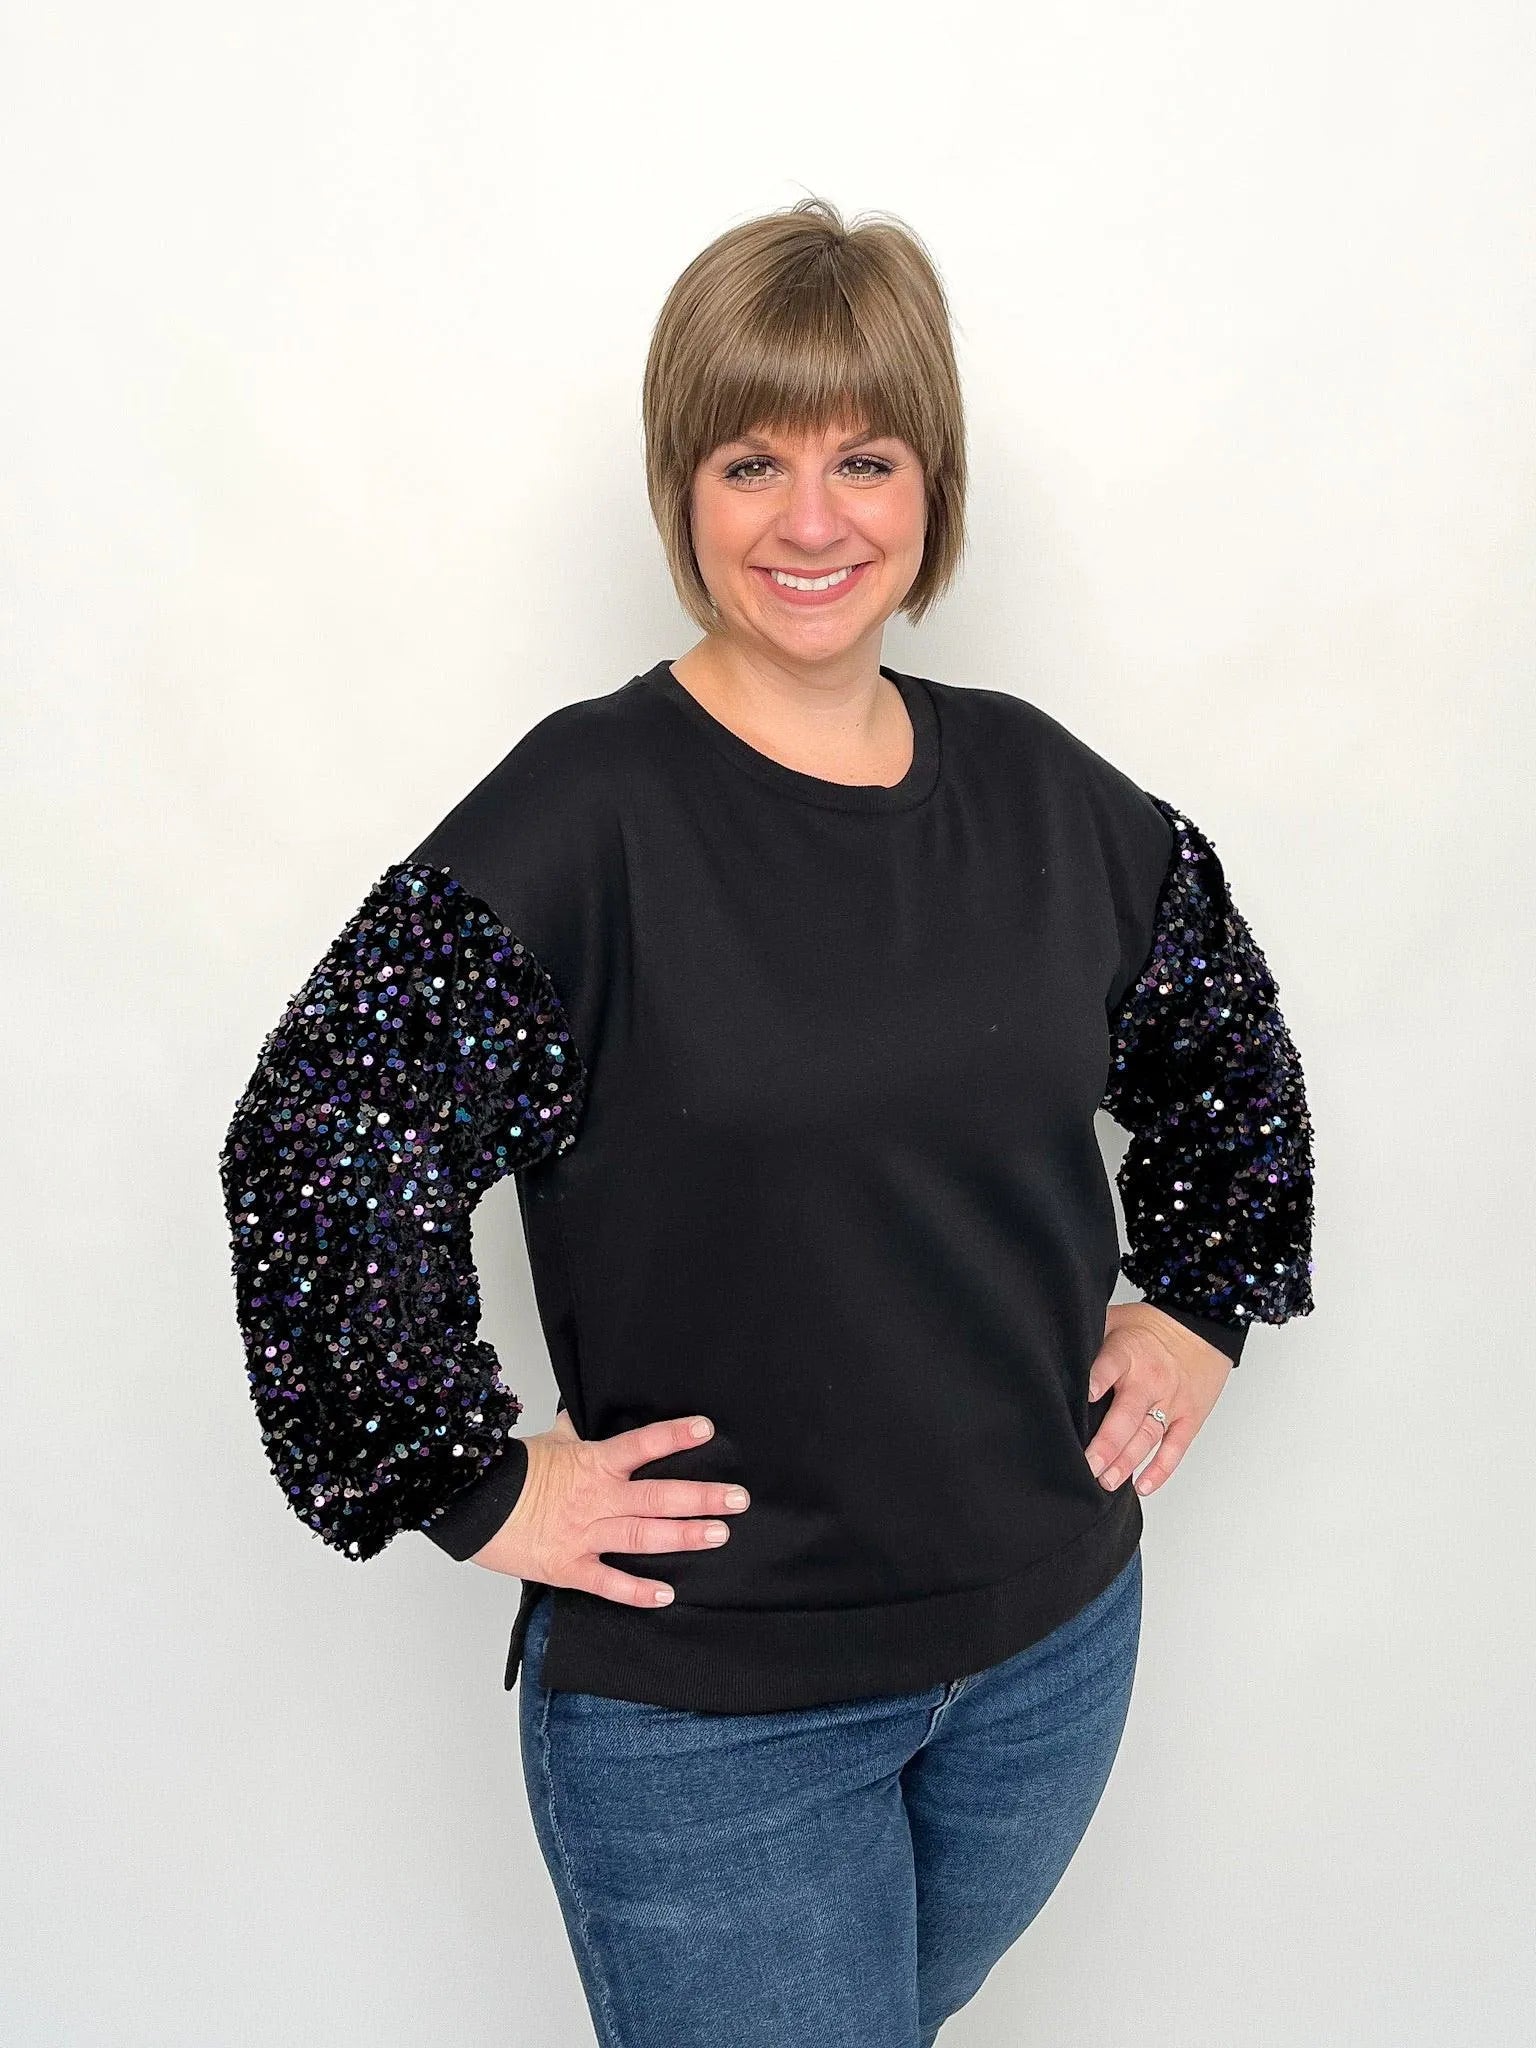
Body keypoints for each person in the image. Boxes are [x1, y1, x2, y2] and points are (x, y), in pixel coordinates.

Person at [219, 195, 1315, 2046]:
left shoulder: (1046, 794)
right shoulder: (585, 819)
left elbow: (1229, 1060)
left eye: (865, 459)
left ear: (932, 486)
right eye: (753, 463)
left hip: (1047, 1658)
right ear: (684, 490)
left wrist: (1206, 1299)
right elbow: (316, 1144)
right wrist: (466, 1483)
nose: (814, 522)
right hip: (712, 1721)